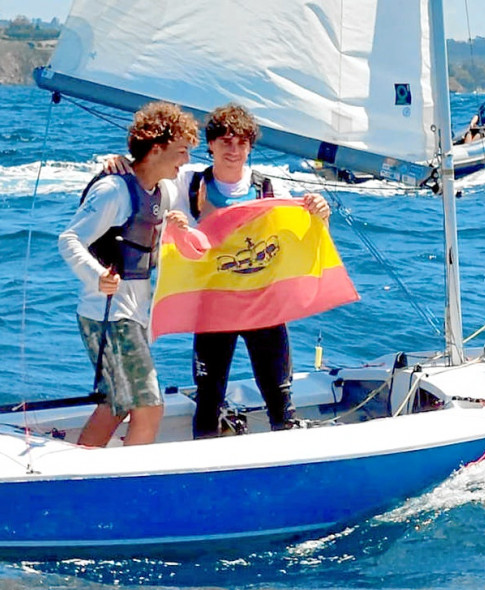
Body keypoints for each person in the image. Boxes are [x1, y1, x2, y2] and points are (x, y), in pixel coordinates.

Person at [104, 103, 331, 438]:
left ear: (250, 147)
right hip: (212, 308)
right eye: (225, 141)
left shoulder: (270, 189)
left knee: (280, 401)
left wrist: (321, 213)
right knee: (208, 401)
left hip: (262, 309)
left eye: (241, 143)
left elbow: (308, 237)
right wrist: (115, 163)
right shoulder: (187, 182)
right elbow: (147, 173)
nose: (233, 150)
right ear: (210, 145)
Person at [59, 101, 199, 447]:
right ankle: (130, 480)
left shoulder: (164, 189)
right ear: (156, 150)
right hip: (107, 314)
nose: (185, 160)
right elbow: (69, 239)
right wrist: (96, 276)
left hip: (133, 314)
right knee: (148, 407)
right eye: (181, 151)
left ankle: (83, 472)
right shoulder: (113, 190)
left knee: (116, 402)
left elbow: (213, 178)